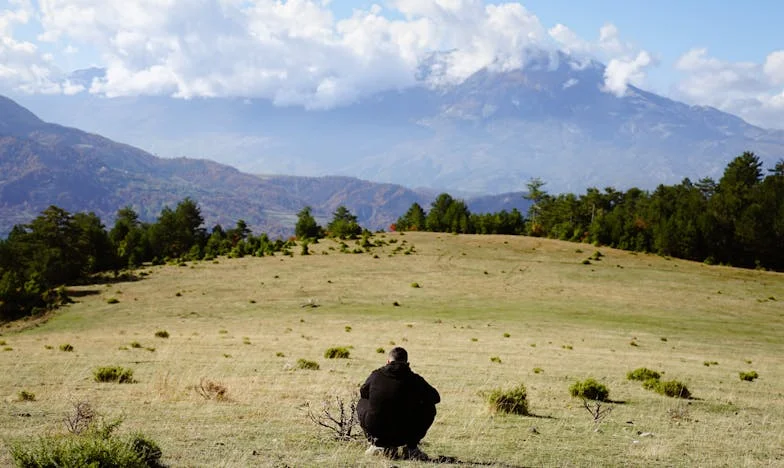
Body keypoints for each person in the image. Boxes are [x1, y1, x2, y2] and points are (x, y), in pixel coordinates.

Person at [357, 347, 440, 460]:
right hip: (405, 434)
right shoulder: (415, 380)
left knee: (362, 402)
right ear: (407, 363)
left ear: (388, 362)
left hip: (378, 432)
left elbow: (363, 392)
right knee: (429, 407)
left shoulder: (376, 375)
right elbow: (435, 397)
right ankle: (411, 448)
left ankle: (377, 445)